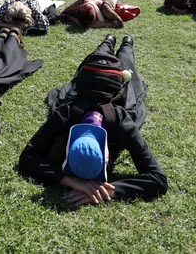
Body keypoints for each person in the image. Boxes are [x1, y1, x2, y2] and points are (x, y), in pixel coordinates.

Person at [19, 35, 168, 204]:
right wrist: (74, 182)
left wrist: (102, 190)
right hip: (90, 86)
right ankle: (108, 41)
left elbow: (158, 180)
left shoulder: (120, 122)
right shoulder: (66, 114)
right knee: (100, 58)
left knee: (126, 65)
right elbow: (28, 157)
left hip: (113, 90)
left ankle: (126, 43)